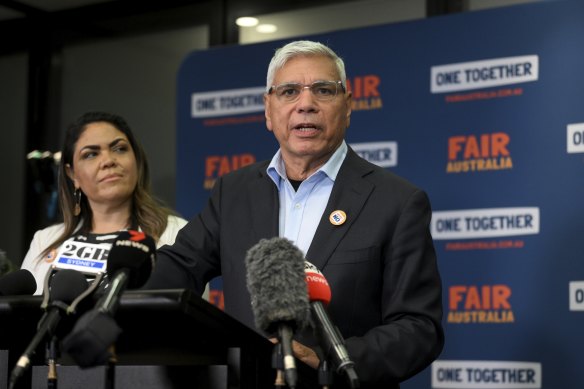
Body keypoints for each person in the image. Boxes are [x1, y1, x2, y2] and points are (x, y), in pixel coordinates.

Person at [146, 40, 443, 388]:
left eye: (323, 90)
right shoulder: (234, 192)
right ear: (268, 110)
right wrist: (107, 291)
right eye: (289, 92)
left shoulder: (396, 201)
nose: (306, 104)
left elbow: (419, 328)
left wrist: (328, 360)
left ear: (347, 106)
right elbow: (177, 268)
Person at [21, 111, 188, 295]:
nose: (108, 161)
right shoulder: (44, 241)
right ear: (72, 174)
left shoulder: (176, 234)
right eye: (91, 154)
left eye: (119, 149)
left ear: (136, 160)